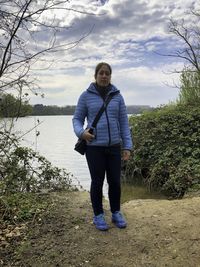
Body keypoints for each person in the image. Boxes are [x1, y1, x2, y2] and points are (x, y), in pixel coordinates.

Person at [72, 62, 133, 231]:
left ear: (110, 76)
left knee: (115, 182)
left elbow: (124, 123)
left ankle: (116, 212)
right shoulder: (85, 96)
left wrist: (127, 146)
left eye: (107, 73)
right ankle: (98, 215)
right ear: (96, 76)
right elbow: (77, 119)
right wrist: (81, 133)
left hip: (114, 147)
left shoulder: (118, 97)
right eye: (101, 73)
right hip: (94, 148)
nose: (104, 76)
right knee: (97, 182)